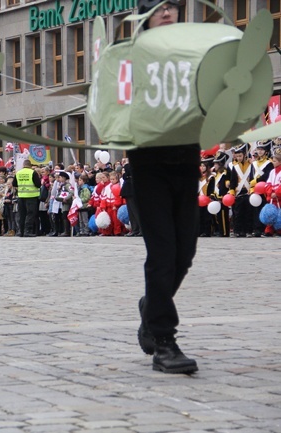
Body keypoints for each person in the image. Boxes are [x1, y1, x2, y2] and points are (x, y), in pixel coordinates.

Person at [130, 0, 198, 374]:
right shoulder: (129, 57)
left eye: (172, 5)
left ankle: (151, 307)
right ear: (143, 17)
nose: (167, 12)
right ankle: (164, 341)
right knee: (162, 253)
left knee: (184, 253)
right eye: (158, 7)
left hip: (187, 158)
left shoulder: (192, 52)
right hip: (148, 162)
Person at [228, 143, 253, 237]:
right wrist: (232, 192)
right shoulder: (235, 167)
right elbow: (233, 181)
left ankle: (248, 231)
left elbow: (252, 178)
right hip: (238, 192)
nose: (238, 158)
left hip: (248, 191)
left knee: (248, 212)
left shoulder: (251, 165)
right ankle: (237, 231)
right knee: (238, 213)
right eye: (237, 156)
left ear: (245, 155)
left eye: (240, 156)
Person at [12, 159, 40, 237]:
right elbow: (38, 184)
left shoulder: (18, 173)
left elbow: (14, 183)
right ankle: (27, 231)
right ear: (30, 165)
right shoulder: (33, 172)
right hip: (31, 196)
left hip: (21, 196)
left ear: (23, 165)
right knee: (30, 214)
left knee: (22, 214)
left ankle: (21, 231)